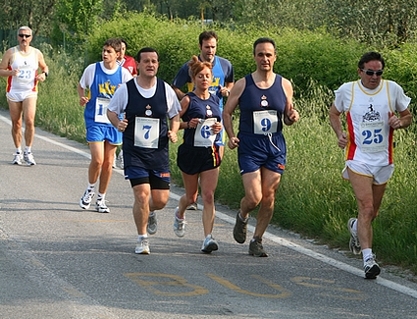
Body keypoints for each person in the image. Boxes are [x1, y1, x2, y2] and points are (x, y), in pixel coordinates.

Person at [329, 51, 412, 279]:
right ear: (360, 71)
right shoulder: (349, 90)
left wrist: (400, 122)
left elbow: (408, 116)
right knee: (366, 207)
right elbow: (334, 113)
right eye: (370, 72)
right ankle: (368, 260)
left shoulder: (392, 89)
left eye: (378, 73)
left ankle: (355, 227)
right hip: (359, 158)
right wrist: (340, 133)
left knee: (372, 211)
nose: (374, 77)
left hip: (383, 159)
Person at [223, 37, 299, 257]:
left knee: (269, 196)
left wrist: (292, 117)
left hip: (274, 146)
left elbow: (287, 116)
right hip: (249, 146)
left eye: (268, 54)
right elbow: (227, 112)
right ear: (254, 57)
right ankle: (243, 214)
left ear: (275, 57)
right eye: (260, 54)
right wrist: (231, 135)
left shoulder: (284, 84)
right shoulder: (243, 84)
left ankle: (257, 240)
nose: (264, 59)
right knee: (254, 197)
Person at [107, 47, 180, 254]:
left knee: (160, 200)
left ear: (157, 64)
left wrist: (174, 131)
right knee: (141, 194)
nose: (150, 64)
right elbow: (111, 110)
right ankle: (142, 239)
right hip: (135, 152)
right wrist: (118, 123)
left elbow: (175, 115)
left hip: (158, 153)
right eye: (146, 61)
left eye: (154, 61)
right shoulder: (126, 89)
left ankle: (150, 211)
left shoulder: (165, 90)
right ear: (137, 65)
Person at [172, 30, 234, 210]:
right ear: (200, 46)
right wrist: (189, 99)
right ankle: (193, 195)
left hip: (217, 120)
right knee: (196, 152)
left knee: (215, 157)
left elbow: (230, 83)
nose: (210, 50)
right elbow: (175, 86)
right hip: (196, 119)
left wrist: (226, 91)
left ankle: (207, 193)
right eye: (207, 47)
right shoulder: (190, 67)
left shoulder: (225, 65)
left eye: (213, 47)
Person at [174, 56, 223, 253]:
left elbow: (217, 121)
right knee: (192, 197)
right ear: (194, 79)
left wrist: (218, 127)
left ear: (211, 78)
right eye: (200, 76)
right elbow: (175, 122)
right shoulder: (187, 99)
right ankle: (180, 212)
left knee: (209, 195)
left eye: (207, 76)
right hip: (190, 152)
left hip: (210, 153)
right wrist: (187, 124)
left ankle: (207, 238)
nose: (204, 79)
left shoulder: (214, 99)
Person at [77, 38, 133, 213]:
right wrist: (83, 97)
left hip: (115, 121)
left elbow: (132, 96)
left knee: (109, 163)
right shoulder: (93, 69)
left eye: (109, 51)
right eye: (104, 50)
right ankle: (90, 190)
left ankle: (101, 198)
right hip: (95, 119)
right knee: (98, 159)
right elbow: (81, 86)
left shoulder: (124, 75)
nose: (105, 54)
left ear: (118, 54)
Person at [0, 26, 49, 166]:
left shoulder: (36, 53)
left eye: (27, 36)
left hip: (30, 91)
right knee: (16, 123)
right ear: (17, 37)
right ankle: (18, 151)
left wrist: (44, 75)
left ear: (31, 38)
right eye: (21, 35)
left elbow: (45, 67)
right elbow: (1, 70)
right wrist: (10, 73)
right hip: (14, 91)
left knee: (29, 120)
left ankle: (28, 151)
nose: (24, 38)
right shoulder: (11, 53)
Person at [114, 38, 138, 169]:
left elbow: (135, 75)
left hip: (127, 98)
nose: (122, 51)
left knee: (125, 126)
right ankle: (111, 154)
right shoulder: (111, 62)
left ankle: (123, 154)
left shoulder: (130, 61)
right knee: (113, 124)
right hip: (111, 99)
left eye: (124, 49)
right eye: (119, 49)